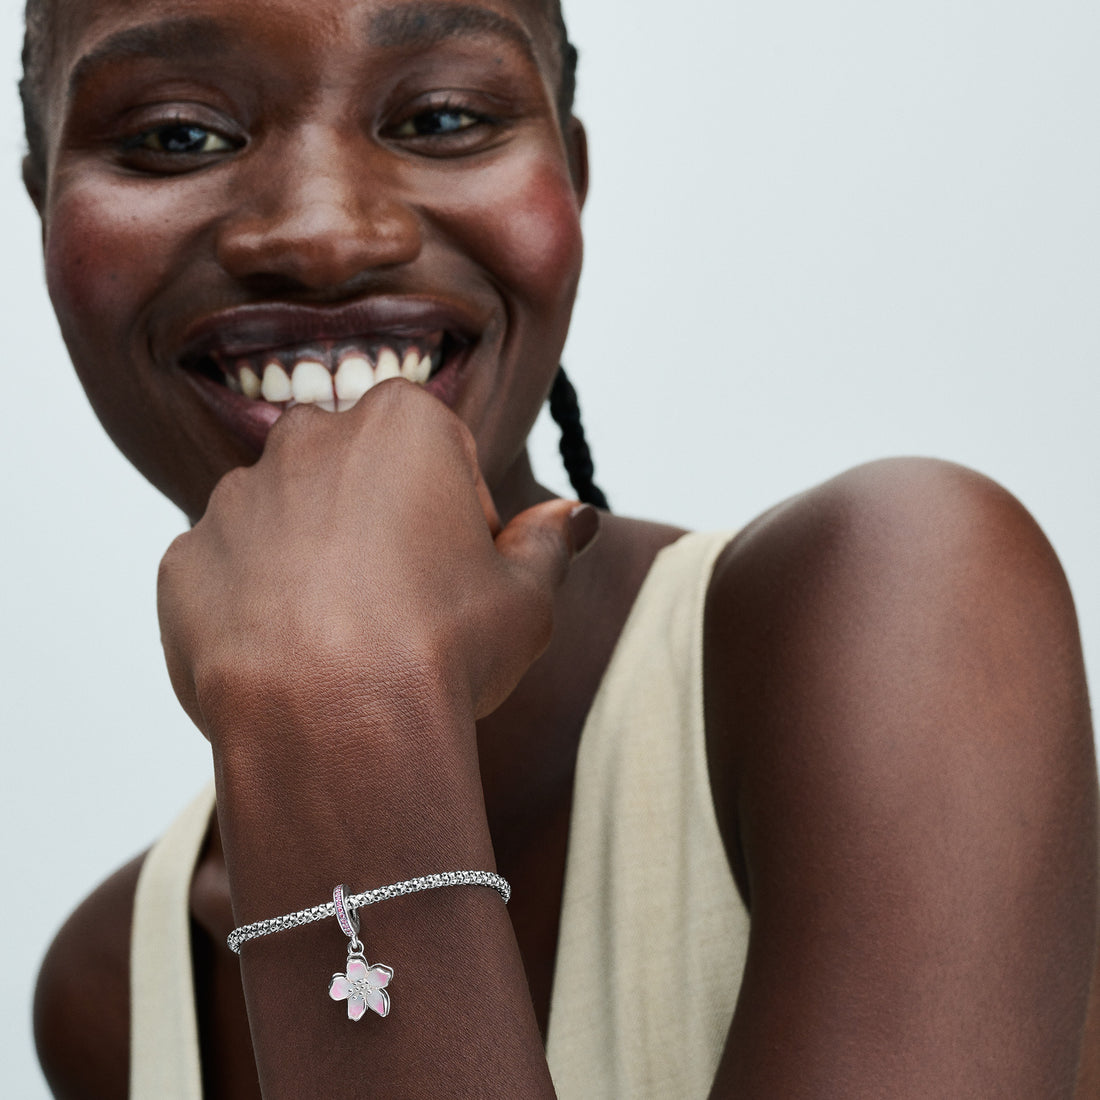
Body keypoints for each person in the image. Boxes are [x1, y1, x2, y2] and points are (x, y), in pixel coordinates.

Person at [20, 0, 1100, 1095]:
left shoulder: (905, 611)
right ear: (42, 206)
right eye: (176, 135)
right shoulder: (116, 990)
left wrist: (340, 695)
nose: (323, 233)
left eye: (441, 117)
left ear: (568, 179)